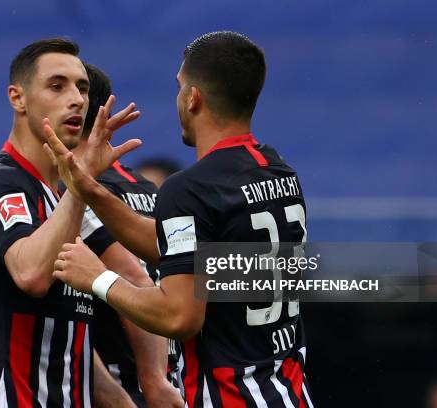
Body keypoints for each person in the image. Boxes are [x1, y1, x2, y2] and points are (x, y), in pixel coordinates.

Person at [45, 31, 314, 407]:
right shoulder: (278, 173)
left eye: (179, 87)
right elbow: (187, 257)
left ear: (193, 98)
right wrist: (92, 192)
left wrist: (98, 279)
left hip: (229, 397)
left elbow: (180, 317)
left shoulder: (190, 189)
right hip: (288, 393)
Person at [0, 38, 141, 407]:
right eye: (57, 86)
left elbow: (71, 337)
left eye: (82, 88)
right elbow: (32, 274)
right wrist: (81, 182)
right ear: (17, 98)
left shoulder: (57, 196)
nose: (77, 99)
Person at [81, 63, 183, 407]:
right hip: (172, 371)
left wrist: (150, 377)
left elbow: (133, 275)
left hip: (124, 381)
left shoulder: (77, 192)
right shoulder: (150, 190)